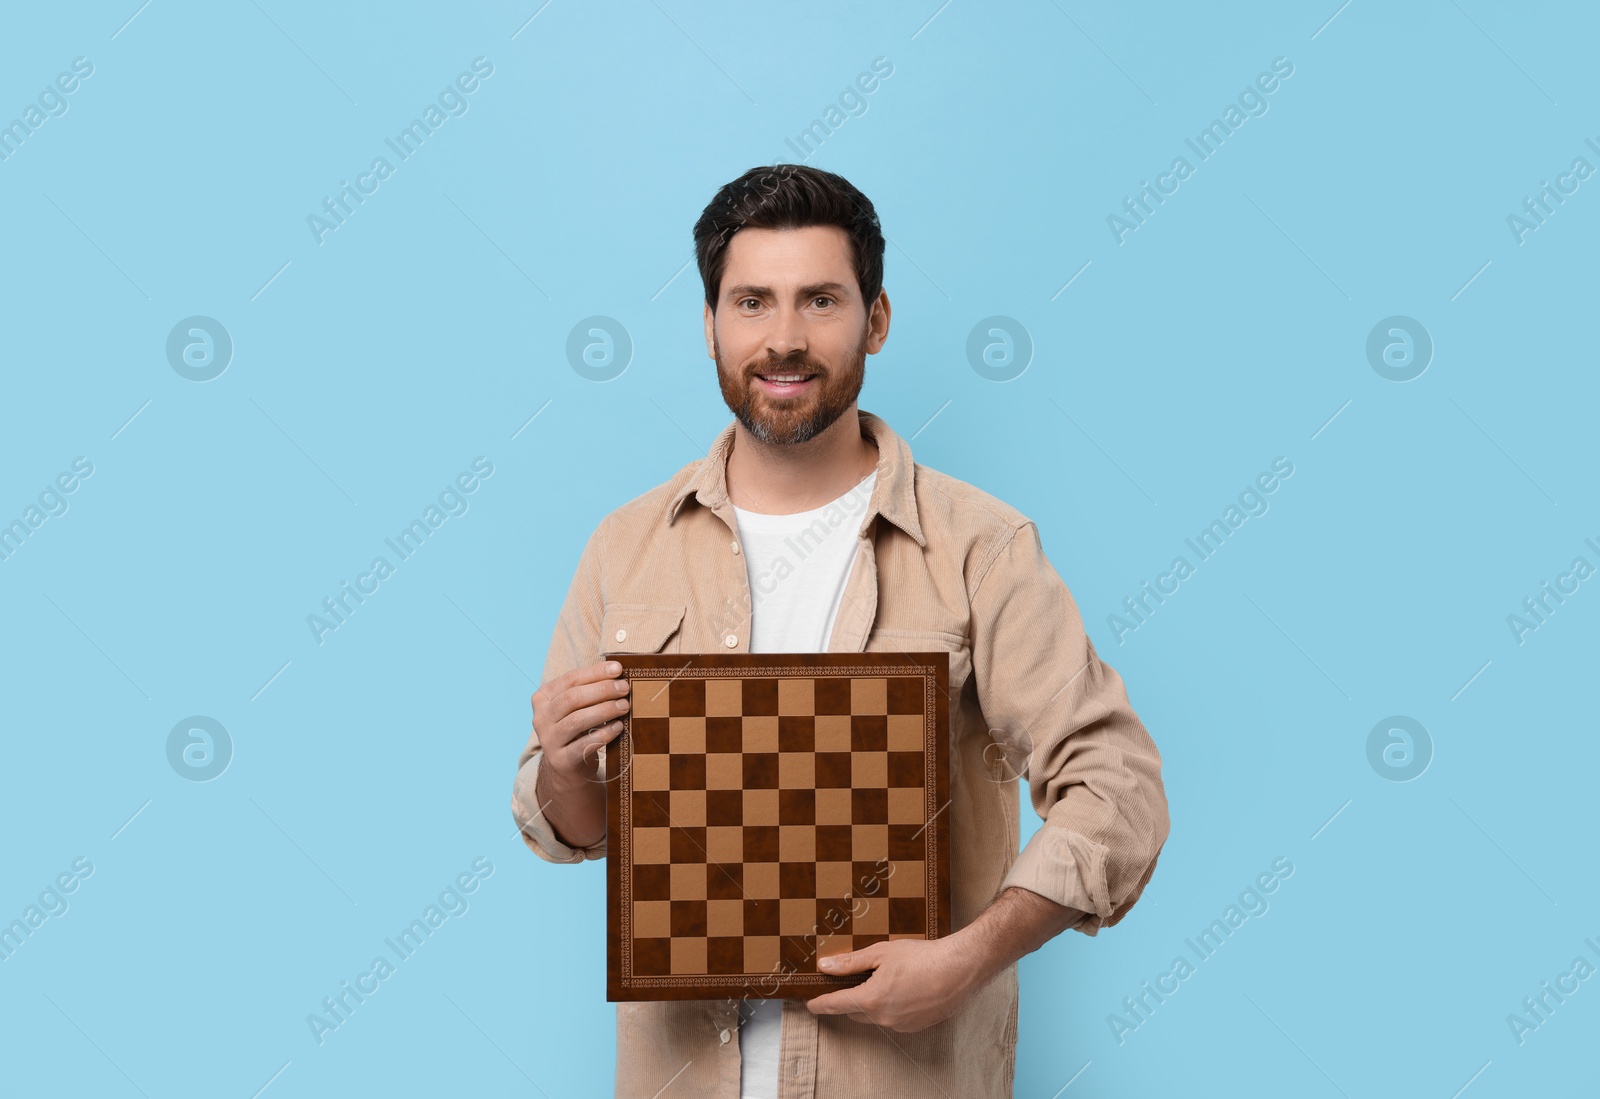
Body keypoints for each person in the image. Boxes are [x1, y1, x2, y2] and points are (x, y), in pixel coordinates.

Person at [511, 164, 1169, 1098]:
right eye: (752, 302)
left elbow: (1119, 790)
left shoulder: (980, 547)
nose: (784, 338)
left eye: (821, 299)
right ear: (709, 325)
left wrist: (969, 957)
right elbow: (568, 828)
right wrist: (568, 769)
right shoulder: (625, 547)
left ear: (877, 319)